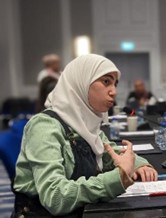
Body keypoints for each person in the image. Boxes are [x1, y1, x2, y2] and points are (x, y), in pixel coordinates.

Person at [12, 54, 157, 217]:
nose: (114, 91)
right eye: (106, 82)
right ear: (81, 82)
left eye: (115, 84)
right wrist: (118, 179)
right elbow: (55, 197)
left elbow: (112, 153)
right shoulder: (44, 127)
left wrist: (139, 164)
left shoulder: (87, 125)